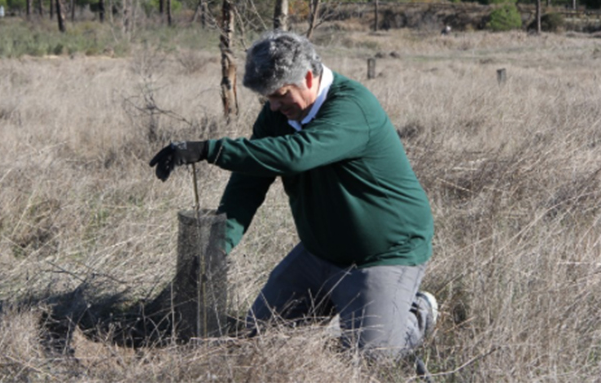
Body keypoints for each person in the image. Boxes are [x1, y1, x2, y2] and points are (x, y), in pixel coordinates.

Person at [149, 31, 437, 361]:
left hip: (384, 253)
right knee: (262, 339)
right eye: (266, 99)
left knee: (369, 357)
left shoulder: (352, 107)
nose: (273, 106)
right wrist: (218, 246)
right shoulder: (277, 116)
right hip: (319, 252)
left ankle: (417, 313)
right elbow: (248, 185)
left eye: (280, 95)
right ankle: (349, 308)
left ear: (309, 77)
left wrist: (208, 150)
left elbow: (296, 154)